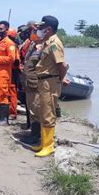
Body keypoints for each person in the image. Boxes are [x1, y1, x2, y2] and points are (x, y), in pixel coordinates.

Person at [32, 16, 69, 157]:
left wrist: (59, 79)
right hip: (44, 81)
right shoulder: (47, 42)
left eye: (41, 28)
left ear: (48, 29)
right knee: (43, 112)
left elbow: (62, 65)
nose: (39, 30)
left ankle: (49, 146)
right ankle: (43, 143)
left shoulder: (54, 43)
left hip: (50, 82)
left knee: (48, 113)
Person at [7, 28, 20, 120]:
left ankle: (12, 112)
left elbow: (16, 61)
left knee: (12, 91)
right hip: (7, 71)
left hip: (12, 71)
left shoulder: (12, 46)